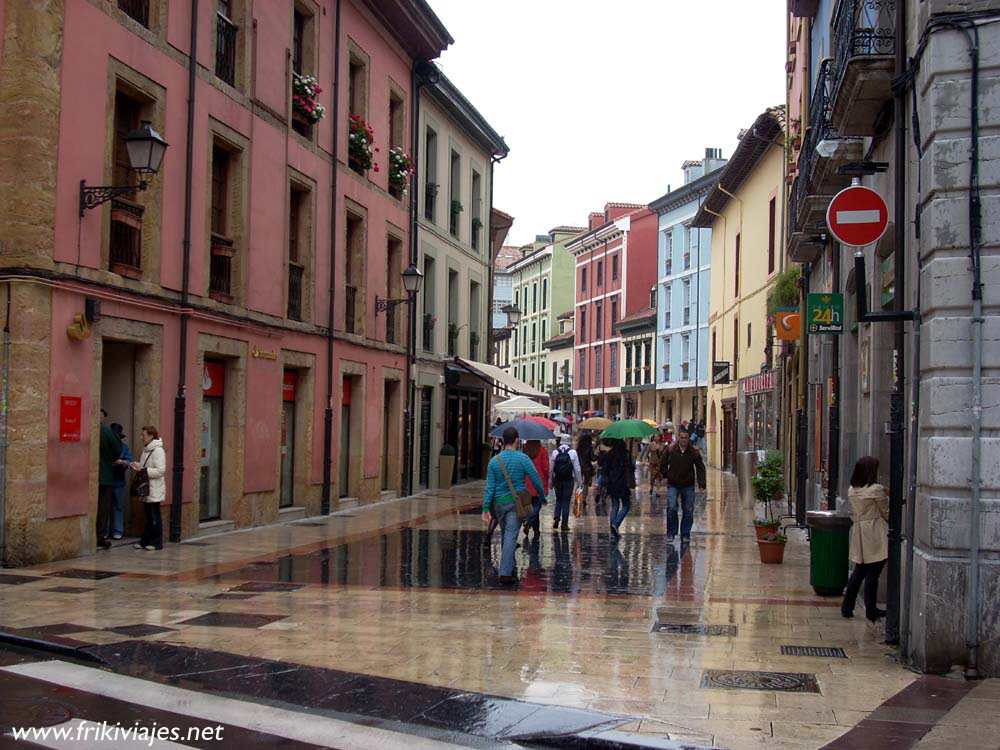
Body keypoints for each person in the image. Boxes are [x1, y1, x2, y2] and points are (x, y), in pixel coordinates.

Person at [482, 427, 545, 584]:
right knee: (510, 535)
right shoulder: (523, 458)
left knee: (506, 534)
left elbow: (489, 487)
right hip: (515, 503)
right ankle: (505, 573)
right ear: (517, 440)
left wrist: (485, 508)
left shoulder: (494, 461)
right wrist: (542, 496)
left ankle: (509, 569)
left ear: (503, 441)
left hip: (498, 504)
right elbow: (535, 478)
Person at [842, 456, 889, 622]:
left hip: (859, 531)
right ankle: (871, 610)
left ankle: (847, 606)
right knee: (873, 572)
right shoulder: (876, 489)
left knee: (859, 569)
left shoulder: (852, 490)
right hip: (874, 532)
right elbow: (887, 512)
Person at [660, 426, 706, 545]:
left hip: (688, 484)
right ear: (678, 438)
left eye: (685, 438)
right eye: (681, 438)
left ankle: (685, 533)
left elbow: (701, 468)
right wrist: (664, 476)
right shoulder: (671, 449)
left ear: (688, 438)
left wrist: (702, 484)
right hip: (673, 484)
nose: (684, 440)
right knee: (672, 507)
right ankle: (671, 532)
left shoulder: (694, 451)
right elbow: (663, 462)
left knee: (688, 510)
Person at [131, 425, 167, 551]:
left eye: (143, 435)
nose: (141, 437)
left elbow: (161, 470)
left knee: (154, 516)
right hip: (147, 488)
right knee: (149, 516)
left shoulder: (157, 451)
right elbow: (146, 467)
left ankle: (157, 542)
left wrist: (143, 470)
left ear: (151, 436)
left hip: (155, 488)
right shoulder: (146, 450)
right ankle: (146, 540)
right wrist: (138, 466)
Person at [97, 410, 123, 549]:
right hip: (105, 476)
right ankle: (100, 536)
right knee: (103, 508)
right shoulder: (106, 432)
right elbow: (117, 449)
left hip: (94, 476)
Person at [603, 438, 635, 540]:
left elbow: (605, 470)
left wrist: (600, 483)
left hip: (612, 483)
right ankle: (615, 524)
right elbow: (631, 468)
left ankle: (613, 532)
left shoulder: (610, 454)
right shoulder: (626, 454)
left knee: (615, 506)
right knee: (626, 505)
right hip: (623, 483)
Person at [549, 437, 583, 530]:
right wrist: (579, 482)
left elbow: (551, 469)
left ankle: (556, 517)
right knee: (566, 501)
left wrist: (550, 482)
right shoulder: (573, 453)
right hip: (569, 480)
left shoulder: (555, 452)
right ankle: (564, 524)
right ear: (569, 442)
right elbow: (577, 469)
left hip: (558, 480)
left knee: (558, 499)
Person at [110, 423, 133, 540]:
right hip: (107, 480)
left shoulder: (124, 447)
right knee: (105, 506)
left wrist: (122, 462)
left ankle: (117, 530)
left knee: (118, 506)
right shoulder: (106, 446)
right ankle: (105, 531)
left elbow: (130, 461)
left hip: (118, 481)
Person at [523, 439, 550, 538]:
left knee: (534, 508)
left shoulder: (525, 451)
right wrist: (547, 480)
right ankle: (528, 522)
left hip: (528, 482)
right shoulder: (542, 451)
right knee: (537, 507)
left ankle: (536, 530)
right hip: (539, 482)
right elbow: (546, 468)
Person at [576, 433, 596, 503]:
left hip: (578, 468)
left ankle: (578, 498)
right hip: (587, 468)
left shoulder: (578, 448)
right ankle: (584, 499)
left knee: (579, 484)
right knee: (586, 484)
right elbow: (593, 458)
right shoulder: (589, 447)